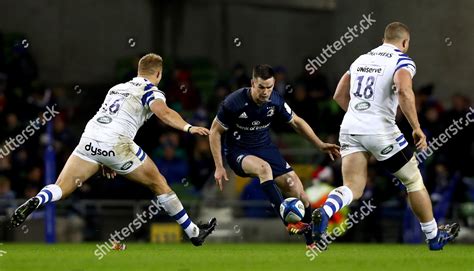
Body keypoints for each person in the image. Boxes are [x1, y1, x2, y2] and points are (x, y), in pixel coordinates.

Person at [9, 53, 216, 246]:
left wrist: (105, 160)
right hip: (116, 142)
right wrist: (188, 127)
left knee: (62, 188)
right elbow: (164, 113)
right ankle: (194, 233)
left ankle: (39, 199)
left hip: (90, 138)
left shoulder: (117, 88)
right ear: (159, 74)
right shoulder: (150, 90)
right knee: (159, 183)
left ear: (138, 70)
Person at [312, 22, 460, 250]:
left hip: (350, 127)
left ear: (383, 39)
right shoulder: (401, 60)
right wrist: (416, 127)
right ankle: (433, 237)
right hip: (381, 130)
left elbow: (339, 95)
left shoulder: (360, 59)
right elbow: (403, 91)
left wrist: (360, 115)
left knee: (353, 187)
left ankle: (325, 211)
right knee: (413, 180)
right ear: (405, 43)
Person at [209, 64, 340, 249]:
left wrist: (319, 144)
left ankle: (312, 242)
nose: (265, 92)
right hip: (239, 152)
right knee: (264, 169)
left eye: (269, 87)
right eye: (261, 87)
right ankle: (289, 223)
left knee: (299, 193)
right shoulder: (234, 102)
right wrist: (219, 166)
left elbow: (296, 121)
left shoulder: (275, 100)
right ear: (252, 83)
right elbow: (214, 132)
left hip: (265, 149)